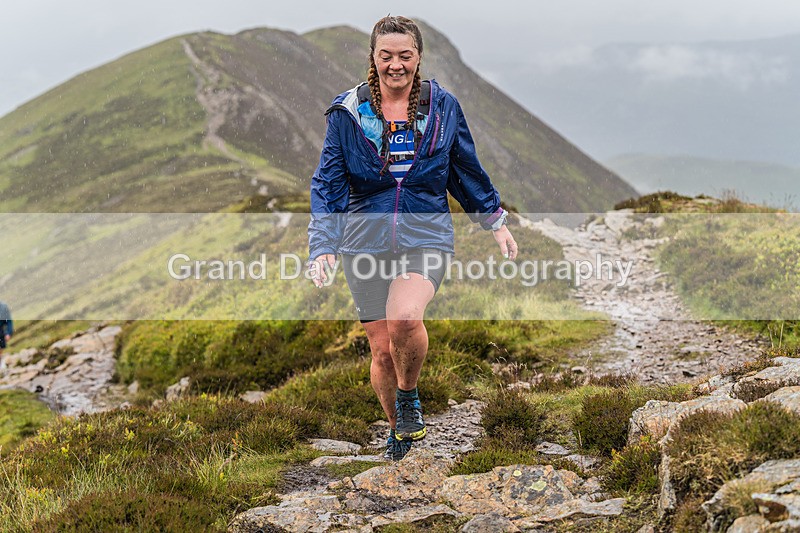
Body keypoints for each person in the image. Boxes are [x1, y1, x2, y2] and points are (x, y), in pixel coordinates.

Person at [307, 15, 518, 461]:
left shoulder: (442, 107)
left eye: (405, 55)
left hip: (426, 234)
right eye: (386, 56)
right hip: (364, 242)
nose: (395, 65)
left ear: (418, 57)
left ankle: (408, 397)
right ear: (373, 58)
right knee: (382, 351)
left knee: (404, 318)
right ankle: (398, 434)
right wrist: (323, 245)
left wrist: (494, 220)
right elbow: (328, 182)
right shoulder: (348, 113)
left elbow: (464, 168)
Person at [0, 301, 12, 374]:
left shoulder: (3, 307)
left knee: (1, 349)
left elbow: (9, 321)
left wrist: (8, 333)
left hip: (1, 331)